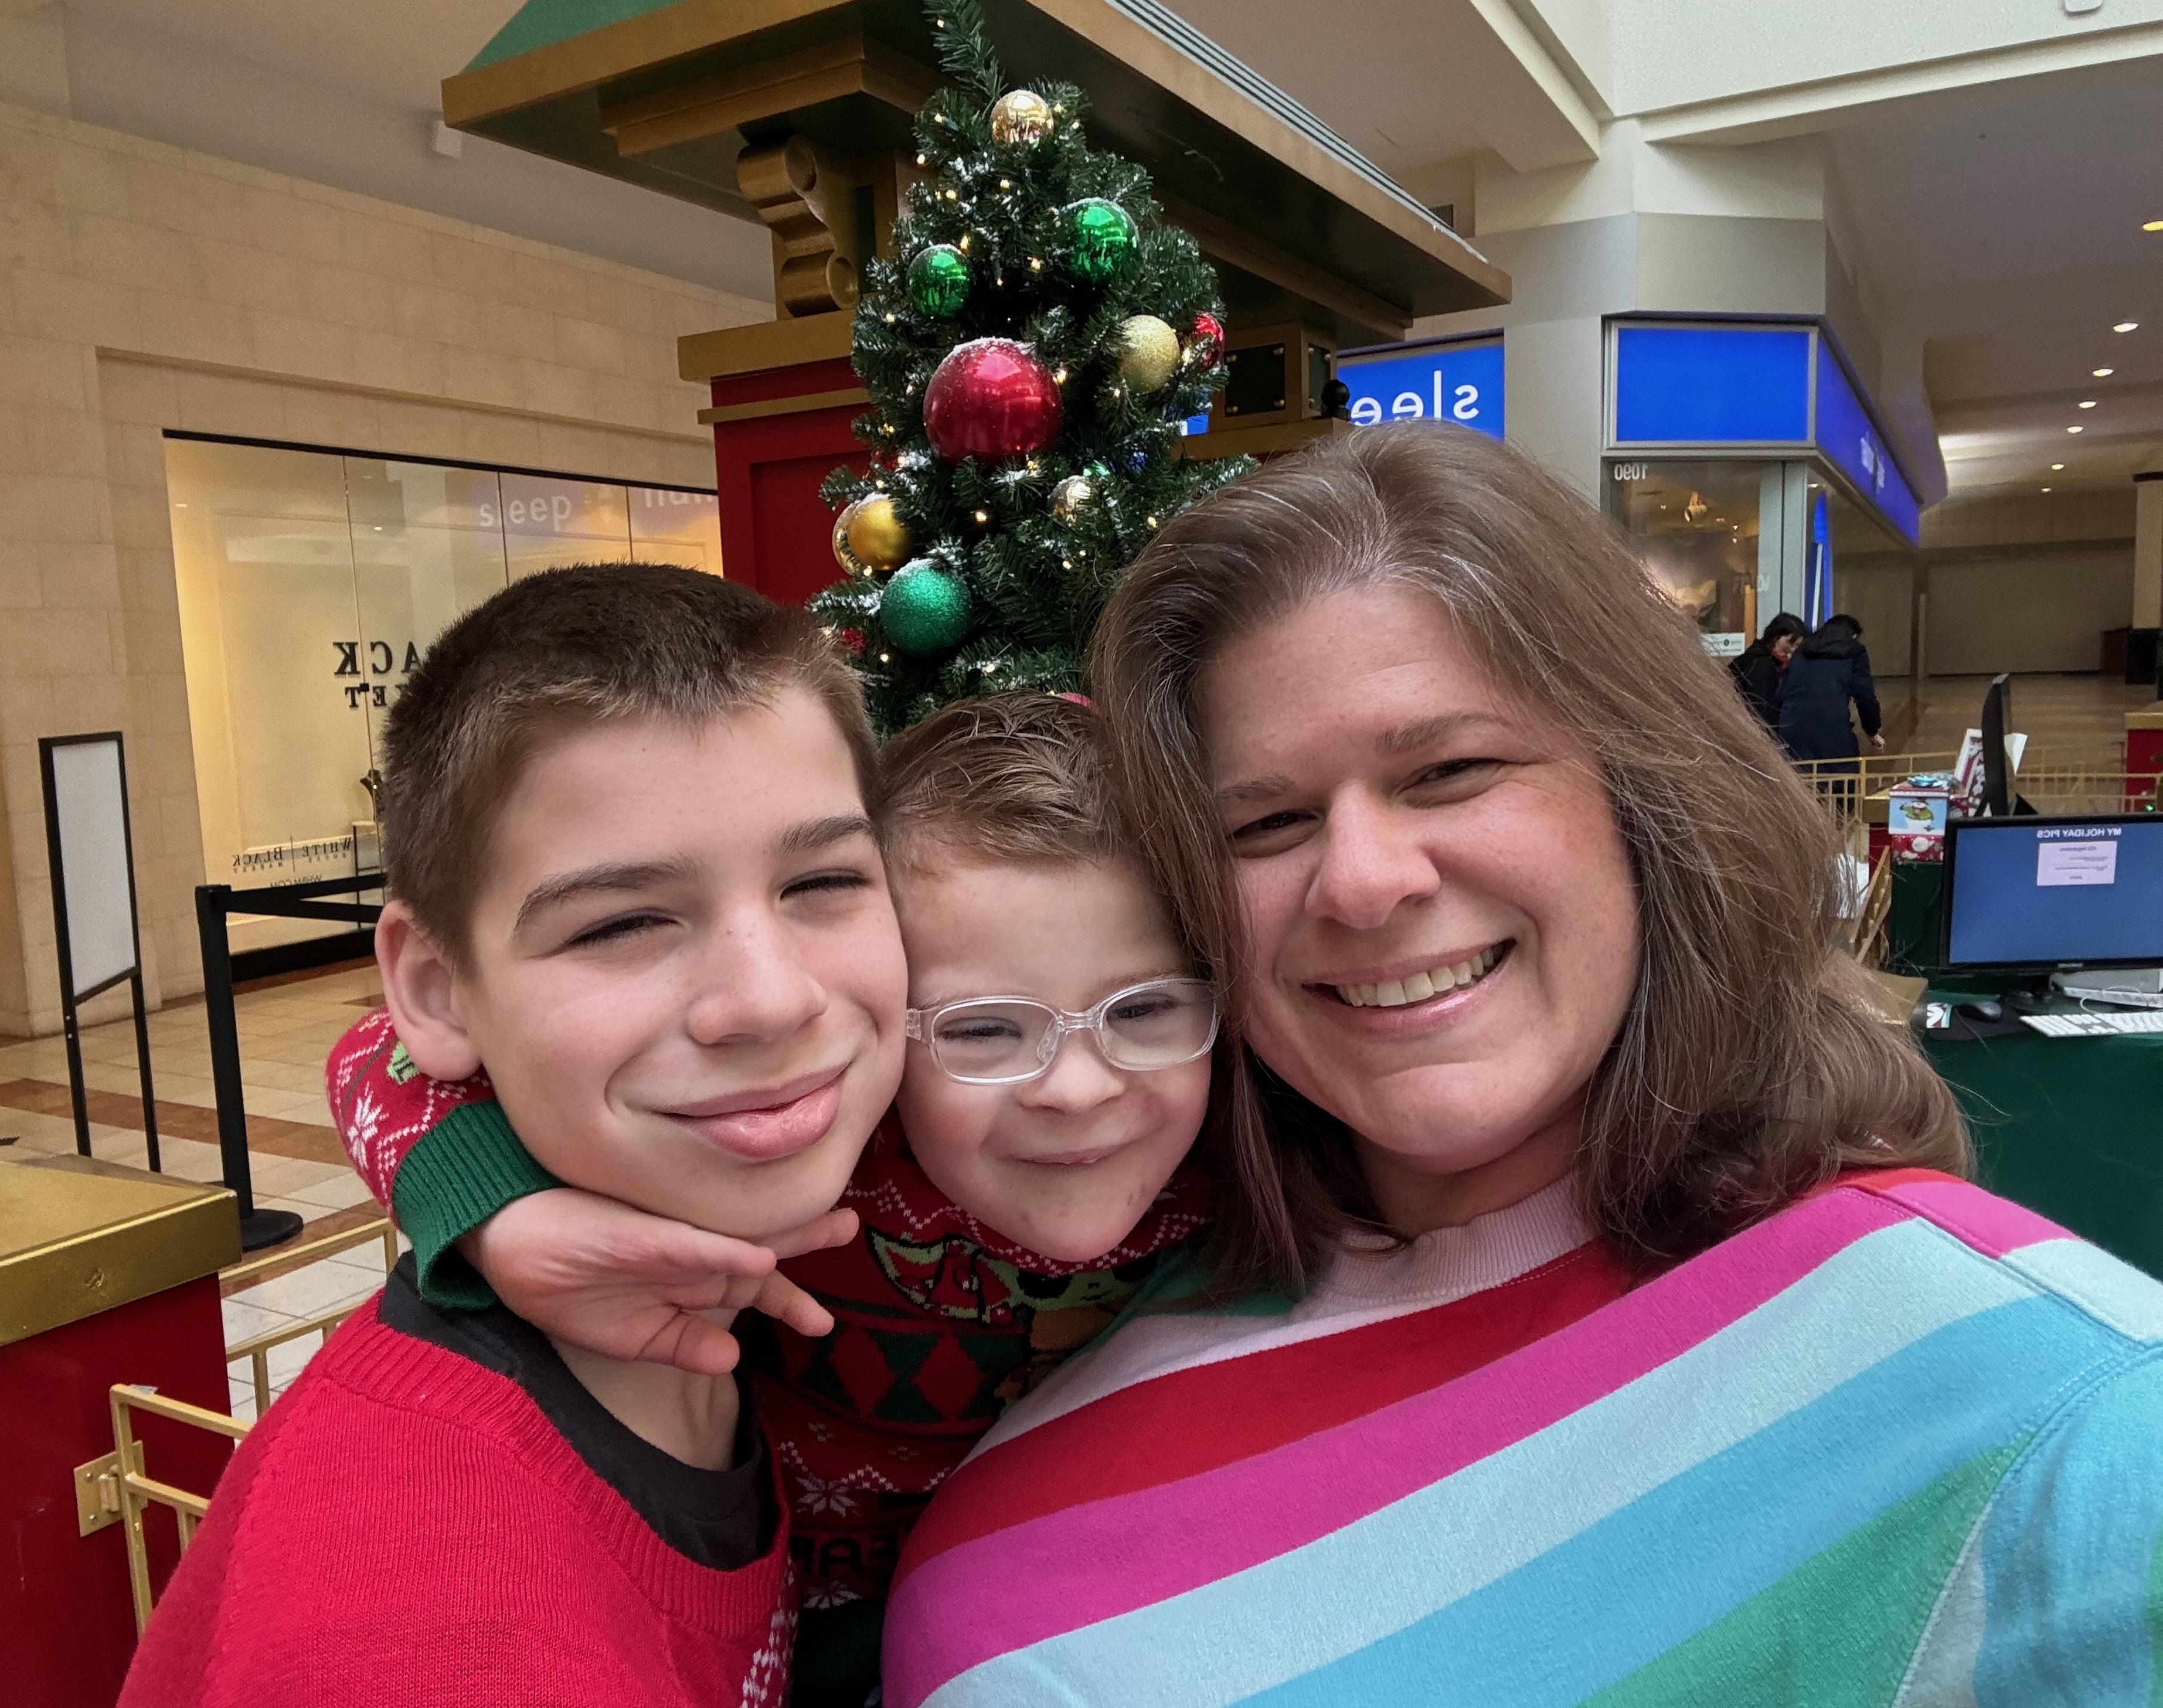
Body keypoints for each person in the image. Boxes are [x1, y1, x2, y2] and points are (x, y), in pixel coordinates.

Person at [885, 424, 2163, 1705]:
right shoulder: (1139, 1267)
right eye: (1267, 820)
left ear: (1645, 796)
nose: (1366, 882)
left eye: (1449, 770)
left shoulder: (2067, 1408)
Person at [317, 690, 1219, 1705]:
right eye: (979, 1029)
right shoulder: (818, 1137)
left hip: (1049, 1601)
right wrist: (501, 1211)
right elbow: (378, 1057)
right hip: (772, 1613)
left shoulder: (1236, 1138)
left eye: (1143, 1006)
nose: (1080, 1087)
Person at [122, 564, 910, 1707]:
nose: (771, 999)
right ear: (437, 995)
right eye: (627, 920)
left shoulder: (743, 1310)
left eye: (827, 878)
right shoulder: (432, 1618)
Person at [1777, 611, 1885, 762]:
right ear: (1853, 635)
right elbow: (1864, 694)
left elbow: (1782, 691)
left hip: (1793, 727)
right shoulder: (1855, 652)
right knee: (1841, 779)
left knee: (1802, 779)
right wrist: (1872, 730)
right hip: (1833, 727)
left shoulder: (1802, 650)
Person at [1725, 611, 1803, 730]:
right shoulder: (1763, 665)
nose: (1792, 649)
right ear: (1776, 637)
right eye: (1790, 642)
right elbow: (1759, 710)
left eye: (1797, 645)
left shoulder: (1759, 658)